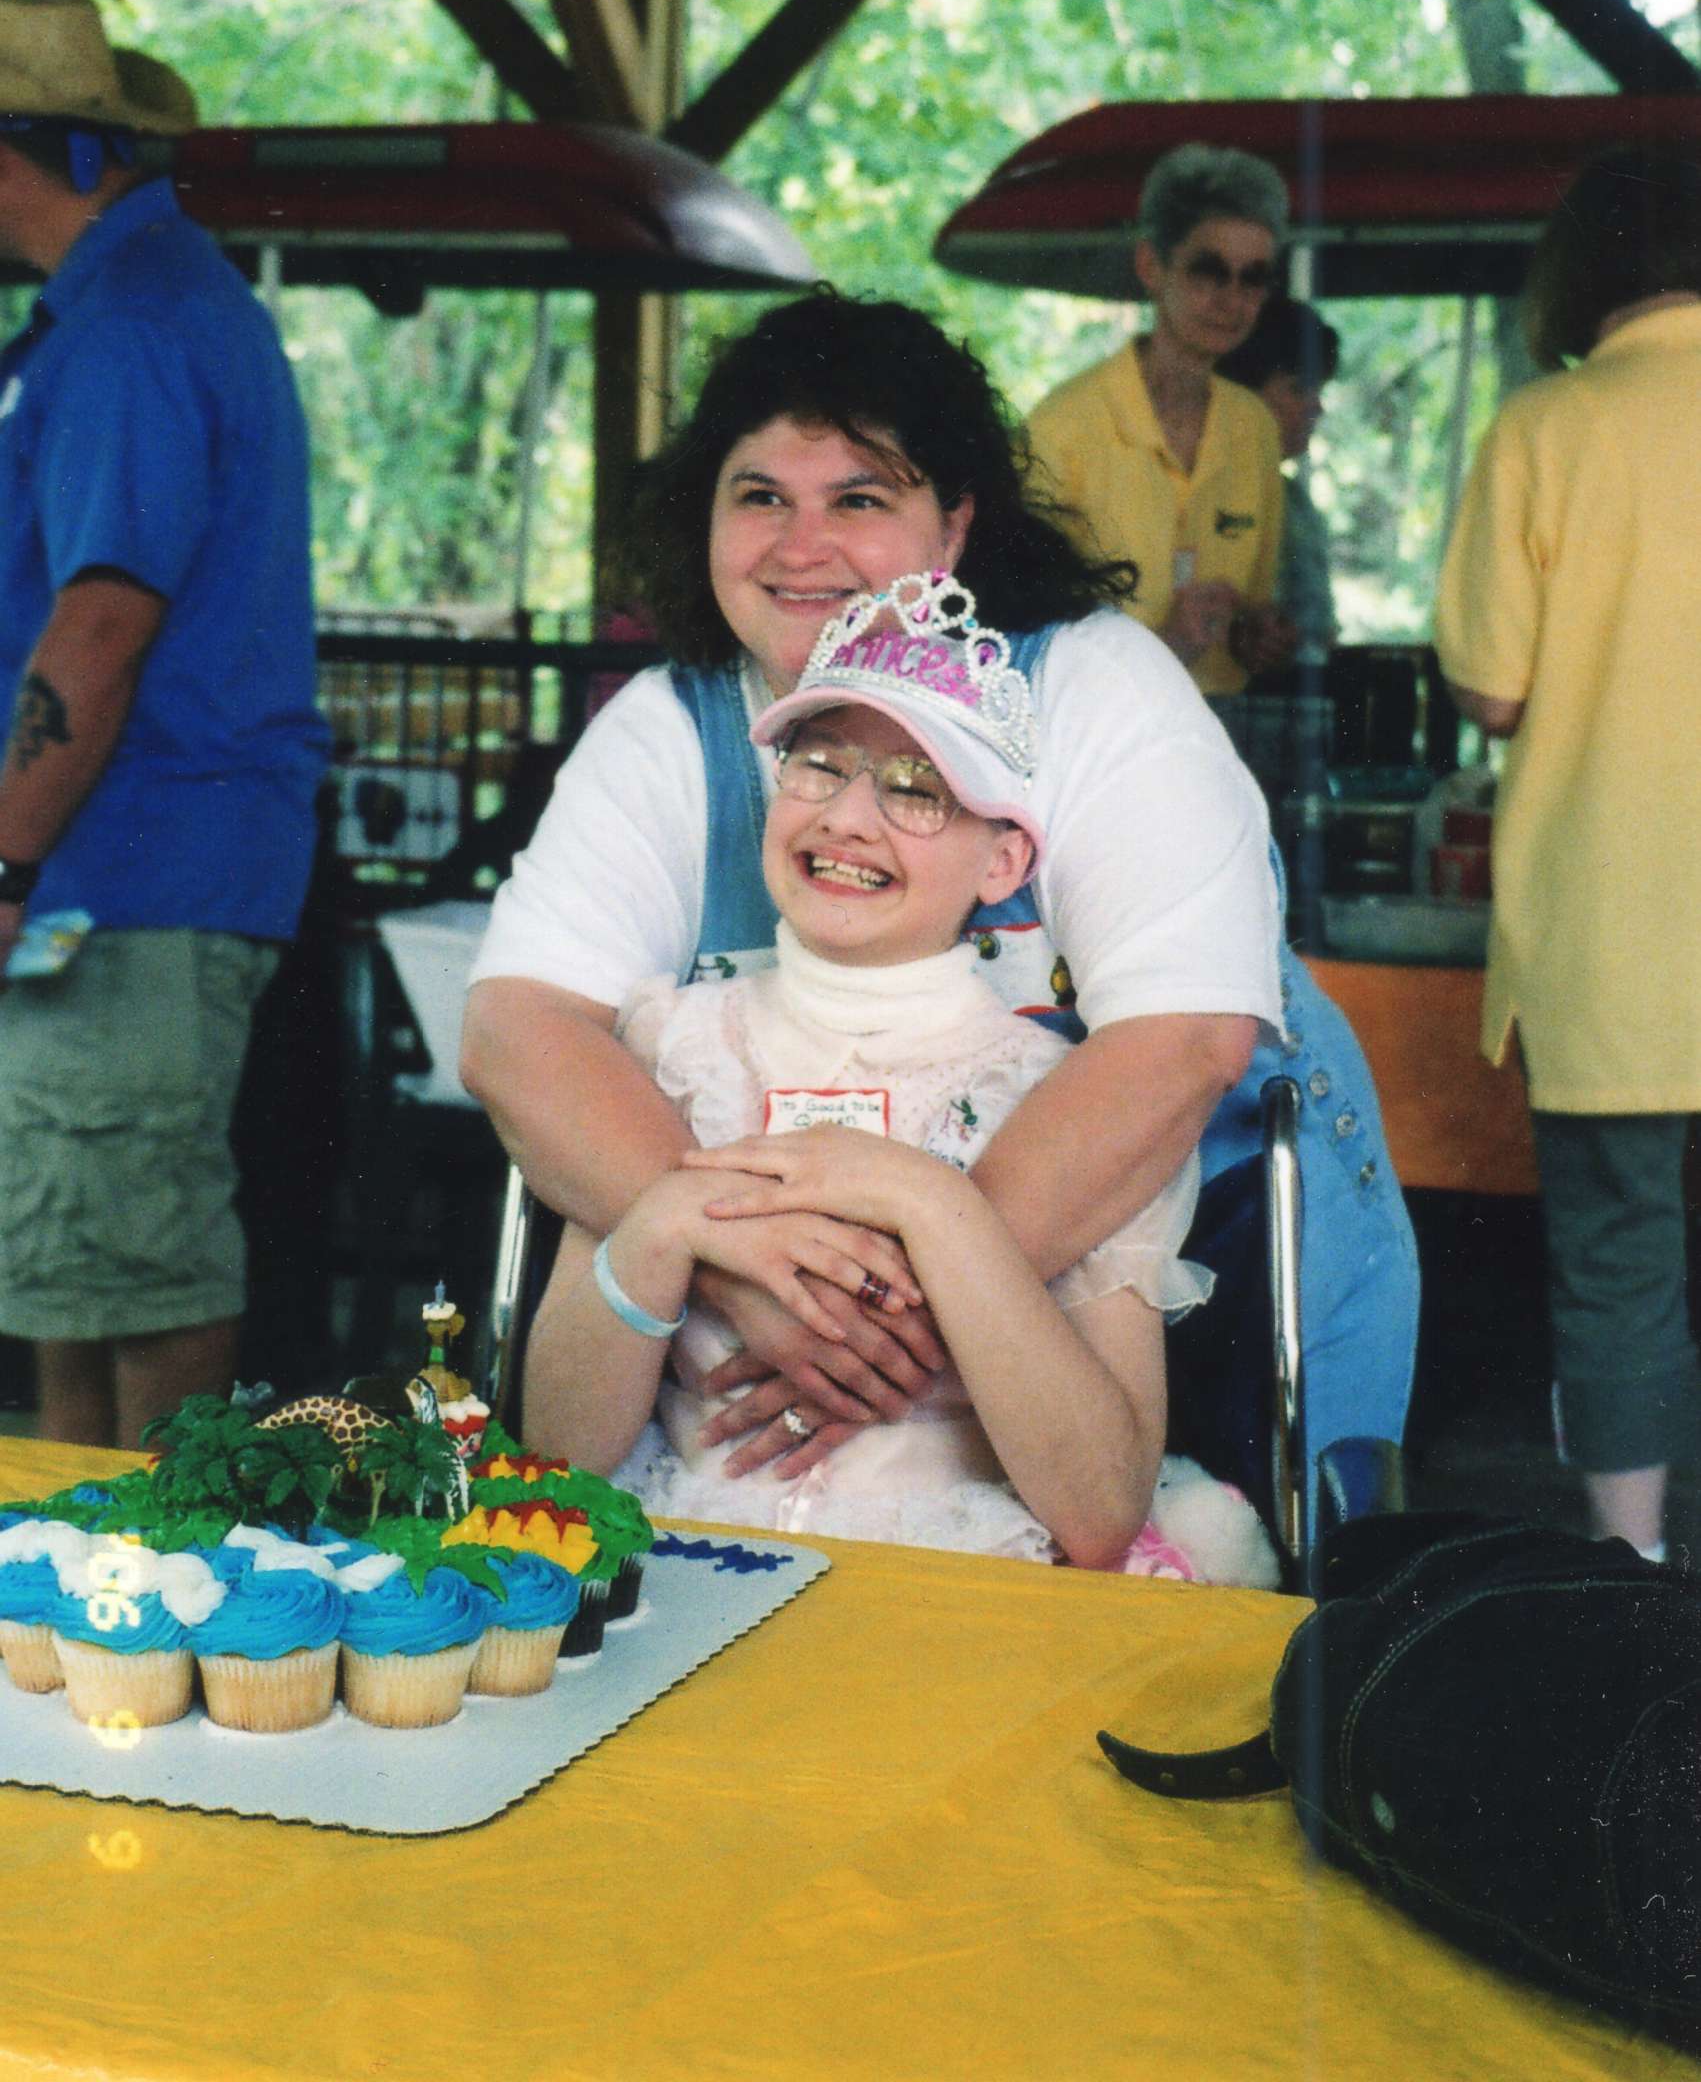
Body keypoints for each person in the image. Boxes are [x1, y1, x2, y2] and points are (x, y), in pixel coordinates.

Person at [463, 292, 1417, 1506]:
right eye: (760, 496)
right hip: (796, 1345)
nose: (800, 545)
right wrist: (753, 1274)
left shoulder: (1094, 687)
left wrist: (889, 1322)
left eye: (859, 498)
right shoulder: (672, 723)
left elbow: (1183, 1046)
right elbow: (517, 1030)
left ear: (955, 525)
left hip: (1201, 1273)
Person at [529, 570, 1277, 1583]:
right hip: (684, 1574)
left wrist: (927, 1200)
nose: (847, 818)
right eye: (818, 766)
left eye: (918, 790)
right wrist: (665, 1224)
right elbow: (559, 1459)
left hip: (958, 1597)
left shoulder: (1057, 1101)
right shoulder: (669, 1050)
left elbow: (1101, 1513)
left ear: (1004, 860)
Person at [0, 0, 327, 1450]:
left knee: (134, 1256)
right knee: (78, 1263)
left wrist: (4, 859)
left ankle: (155, 1589)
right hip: (122, 872)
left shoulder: (132, 327)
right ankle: (80, 1590)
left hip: (125, 872)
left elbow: (104, 621)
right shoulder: (136, 306)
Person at [1435, 146, 1701, 1562]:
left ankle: (1637, 1572)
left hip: (1610, 931)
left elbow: (1489, 687)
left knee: (1617, 1265)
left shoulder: (1548, 427)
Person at [1025, 143, 1289, 696]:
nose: (1231, 299)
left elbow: (1254, 608)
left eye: (1253, 277)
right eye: (1209, 271)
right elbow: (1021, 639)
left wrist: (1255, 637)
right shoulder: (1064, 427)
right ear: (1151, 265)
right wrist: (1165, 643)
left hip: (1217, 733)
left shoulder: (1254, 428)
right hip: (1094, 735)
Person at [1216, 292, 1341, 663]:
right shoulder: (1206, 495)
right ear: (1241, 394)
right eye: (1298, 389)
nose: (1316, 407)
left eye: (1319, 390)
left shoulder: (1295, 501)